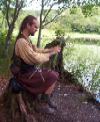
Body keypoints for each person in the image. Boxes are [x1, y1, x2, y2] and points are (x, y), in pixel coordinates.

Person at [11, 15, 61, 114]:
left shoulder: (26, 39)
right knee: (53, 75)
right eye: (35, 27)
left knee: (54, 74)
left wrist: (51, 49)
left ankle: (45, 99)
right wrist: (52, 53)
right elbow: (35, 57)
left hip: (30, 72)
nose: (36, 29)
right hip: (24, 75)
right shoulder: (21, 42)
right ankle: (42, 105)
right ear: (28, 25)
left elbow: (37, 50)